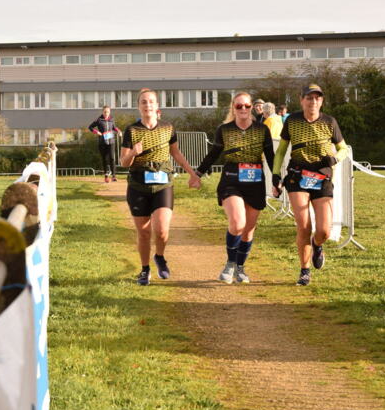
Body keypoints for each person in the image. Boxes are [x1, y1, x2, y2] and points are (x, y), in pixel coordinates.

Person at [189, 91, 274, 284]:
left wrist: (277, 180)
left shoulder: (262, 129)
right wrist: (197, 174)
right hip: (231, 180)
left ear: (252, 107)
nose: (243, 109)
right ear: (233, 108)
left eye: (246, 105)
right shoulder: (224, 129)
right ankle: (230, 263)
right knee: (237, 223)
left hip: (255, 182)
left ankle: (240, 268)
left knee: (248, 230)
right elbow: (214, 154)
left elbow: (270, 157)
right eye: (239, 106)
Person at [120, 88, 200, 285]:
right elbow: (124, 162)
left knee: (162, 230)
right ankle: (145, 269)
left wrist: (192, 174)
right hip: (138, 186)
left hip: (163, 184)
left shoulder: (167, 128)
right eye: (143, 102)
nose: (147, 105)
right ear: (139, 107)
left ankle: (160, 256)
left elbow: (176, 153)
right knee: (144, 232)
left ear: (157, 106)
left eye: (151, 101)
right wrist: (133, 153)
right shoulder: (131, 130)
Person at [272, 83, 348, 286]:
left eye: (317, 98)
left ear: (321, 101)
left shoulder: (330, 121)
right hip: (298, 176)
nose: (313, 101)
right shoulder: (292, 121)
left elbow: (343, 149)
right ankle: (304, 270)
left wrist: (334, 159)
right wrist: (275, 175)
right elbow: (281, 151)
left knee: (324, 231)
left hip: (322, 176)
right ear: (301, 100)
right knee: (304, 226)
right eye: (309, 98)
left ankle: (317, 244)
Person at [88, 106, 121, 182]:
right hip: (102, 142)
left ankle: (113, 176)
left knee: (112, 158)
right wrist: (97, 132)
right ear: (102, 112)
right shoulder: (99, 120)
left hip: (111, 141)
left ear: (110, 112)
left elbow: (114, 127)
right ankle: (106, 176)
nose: (106, 113)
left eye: (108, 112)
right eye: (105, 112)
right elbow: (90, 127)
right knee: (105, 159)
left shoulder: (112, 119)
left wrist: (119, 131)